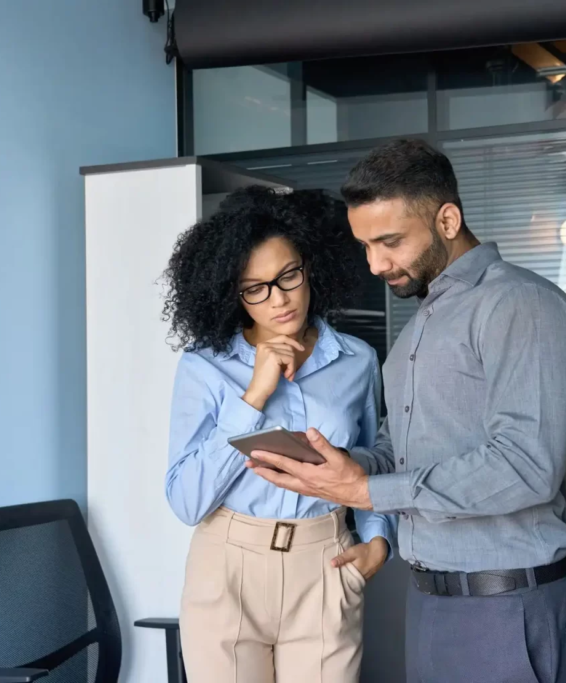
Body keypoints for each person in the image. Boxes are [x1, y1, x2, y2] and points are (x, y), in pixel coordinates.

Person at [248, 139, 566, 683]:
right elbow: (400, 447)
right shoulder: (421, 323)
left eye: (389, 242)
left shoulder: (520, 306)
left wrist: (367, 494)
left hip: (509, 605)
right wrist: (347, 465)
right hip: (435, 600)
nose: (375, 264)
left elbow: (527, 465)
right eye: (365, 245)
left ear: (448, 219)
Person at [162, 186, 396, 683]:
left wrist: (378, 540)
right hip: (227, 565)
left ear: (310, 266)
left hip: (325, 561)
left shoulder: (357, 359)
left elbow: (377, 456)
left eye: (288, 275)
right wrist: (254, 397)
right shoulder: (205, 366)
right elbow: (185, 501)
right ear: (234, 293)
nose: (280, 299)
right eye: (256, 288)